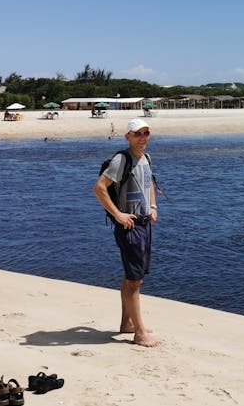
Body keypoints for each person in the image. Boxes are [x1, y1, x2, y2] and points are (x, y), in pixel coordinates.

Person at [92, 118, 159, 347]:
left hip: (144, 224)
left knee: (133, 277)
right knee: (134, 280)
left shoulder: (146, 158)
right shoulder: (122, 159)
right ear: (128, 137)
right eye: (138, 134)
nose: (143, 138)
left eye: (146, 133)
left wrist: (153, 206)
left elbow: (149, 184)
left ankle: (127, 324)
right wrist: (118, 215)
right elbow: (99, 188)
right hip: (129, 226)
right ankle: (139, 333)